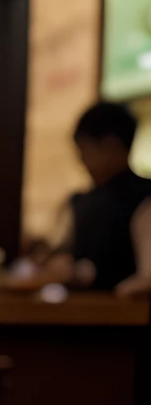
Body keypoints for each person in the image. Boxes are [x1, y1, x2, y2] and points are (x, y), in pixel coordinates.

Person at [64, 102, 151, 293]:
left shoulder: (144, 198)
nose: (82, 161)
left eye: (84, 151)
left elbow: (146, 280)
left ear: (111, 145)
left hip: (121, 317)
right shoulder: (81, 201)